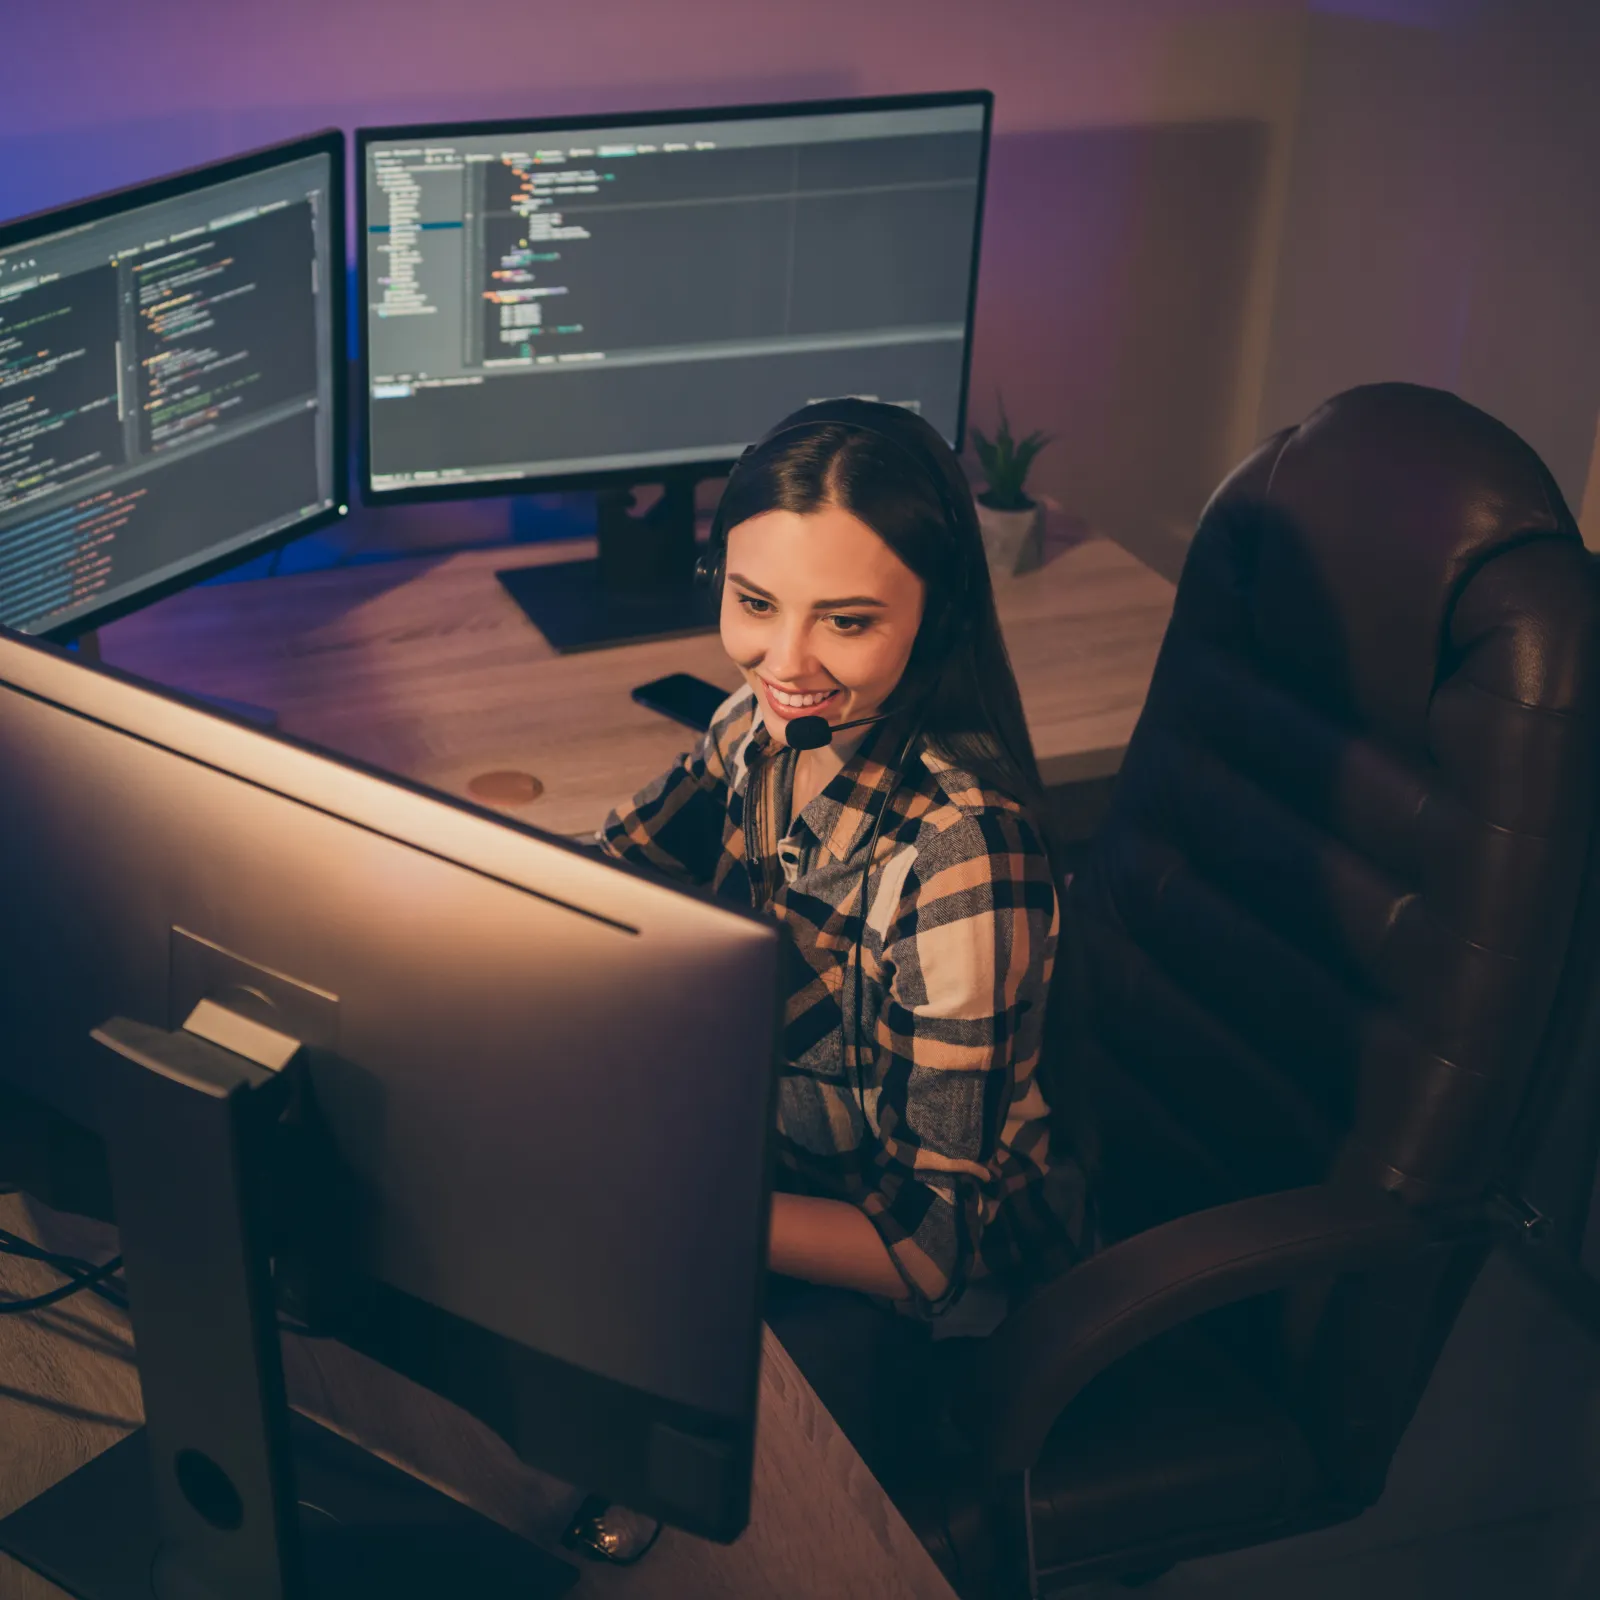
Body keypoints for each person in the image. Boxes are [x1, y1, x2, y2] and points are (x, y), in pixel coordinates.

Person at [598, 397, 1090, 1489]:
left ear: (936, 613)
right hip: (759, 1163)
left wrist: (663, 1196)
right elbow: (600, 888)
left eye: (847, 621)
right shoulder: (757, 725)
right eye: (754, 602)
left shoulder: (961, 858)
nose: (786, 660)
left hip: (911, 1305)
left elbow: (922, 1256)